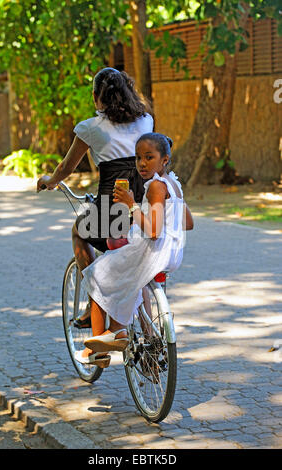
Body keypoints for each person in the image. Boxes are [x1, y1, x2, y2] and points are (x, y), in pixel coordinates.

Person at [74, 132, 193, 367]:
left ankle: (102, 346)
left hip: (150, 252)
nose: (142, 164)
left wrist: (132, 205)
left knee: (96, 273)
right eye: (138, 158)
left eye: (149, 157)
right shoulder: (174, 185)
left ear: (165, 160)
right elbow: (187, 222)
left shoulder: (156, 187)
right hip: (171, 253)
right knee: (123, 279)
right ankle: (117, 330)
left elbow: (154, 231)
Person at [37, 67, 154, 271]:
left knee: (78, 231)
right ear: (128, 92)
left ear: (95, 96)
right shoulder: (146, 121)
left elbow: (66, 167)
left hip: (112, 214)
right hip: (147, 211)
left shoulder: (90, 128)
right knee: (137, 270)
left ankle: (95, 288)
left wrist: (50, 181)